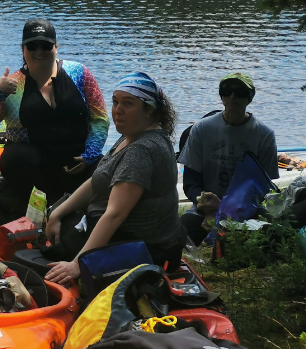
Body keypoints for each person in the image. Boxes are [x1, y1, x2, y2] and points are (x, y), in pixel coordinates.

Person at [43, 72, 182, 286]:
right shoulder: (131, 136)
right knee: (59, 223)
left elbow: (115, 214)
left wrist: (78, 264)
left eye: (128, 103)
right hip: (123, 236)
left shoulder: (142, 150)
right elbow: (98, 179)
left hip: (141, 249)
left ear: (149, 109)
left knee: (51, 250)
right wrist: (56, 213)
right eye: (115, 101)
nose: (118, 109)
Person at [0, 16, 108, 209]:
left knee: (106, 167)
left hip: (77, 160)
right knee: (15, 157)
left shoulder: (79, 73)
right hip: (35, 165)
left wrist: (90, 156)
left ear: (56, 47)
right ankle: (38, 210)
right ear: (23, 49)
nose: (39, 51)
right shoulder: (13, 85)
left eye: (46, 45)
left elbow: (100, 120)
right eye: (32, 46)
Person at [179, 71, 278, 245]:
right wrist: (207, 206)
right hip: (206, 205)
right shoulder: (201, 129)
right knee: (180, 233)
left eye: (240, 92)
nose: (232, 96)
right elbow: (190, 182)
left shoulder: (264, 135)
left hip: (246, 208)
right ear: (221, 95)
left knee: (275, 235)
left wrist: (225, 209)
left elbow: (263, 188)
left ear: (249, 98)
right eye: (227, 90)